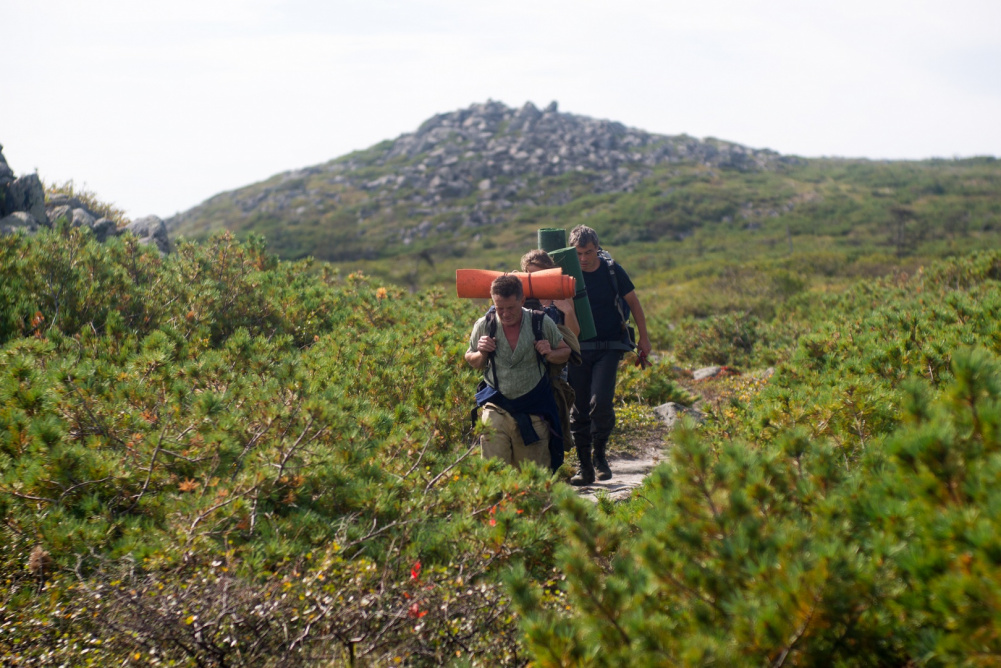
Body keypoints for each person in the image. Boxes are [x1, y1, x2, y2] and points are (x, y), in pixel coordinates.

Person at [567, 225, 652, 485]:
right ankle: (584, 467)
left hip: (609, 346)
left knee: (601, 402)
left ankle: (600, 457)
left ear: (597, 248)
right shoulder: (567, 273)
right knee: (579, 408)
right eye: (578, 253)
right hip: (577, 349)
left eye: (589, 252)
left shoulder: (612, 270)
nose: (584, 259)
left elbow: (634, 303)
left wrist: (644, 338)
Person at [466, 274, 571, 471]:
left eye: (511, 308)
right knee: (493, 472)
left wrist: (549, 353)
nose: (505, 314)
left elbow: (565, 352)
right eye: (499, 308)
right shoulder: (485, 324)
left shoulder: (540, 322)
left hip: (534, 408)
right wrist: (481, 352)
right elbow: (471, 359)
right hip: (496, 406)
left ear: (522, 300)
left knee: (534, 476)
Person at [520, 249, 581, 337]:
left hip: (559, 345)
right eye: (531, 275)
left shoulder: (563, 296)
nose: (535, 279)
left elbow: (574, 335)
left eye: (540, 275)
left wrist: (568, 312)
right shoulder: (522, 297)